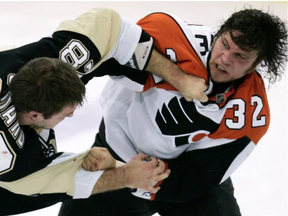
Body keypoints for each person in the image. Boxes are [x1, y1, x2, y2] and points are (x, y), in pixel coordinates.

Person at [58, 7, 288, 216]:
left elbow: (199, 176)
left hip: (185, 181)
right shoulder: (171, 37)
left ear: (255, 65)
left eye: (241, 56)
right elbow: (104, 50)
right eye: (225, 44)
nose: (225, 59)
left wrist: (147, 181)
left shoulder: (250, 112)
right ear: (218, 34)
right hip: (116, 162)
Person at [0, 7, 205, 215]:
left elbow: (108, 26)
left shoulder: (35, 63)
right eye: (65, 114)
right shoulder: (13, 160)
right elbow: (50, 183)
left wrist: (180, 78)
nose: (71, 116)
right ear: (34, 115)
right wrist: (126, 175)